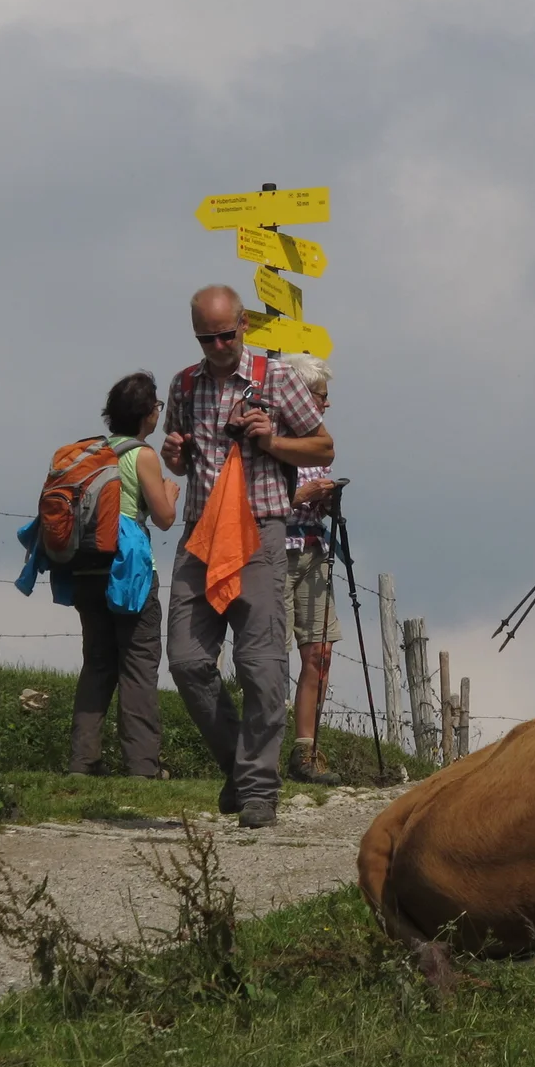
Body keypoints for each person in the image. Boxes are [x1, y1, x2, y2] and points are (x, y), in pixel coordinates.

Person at [161, 285, 333, 828]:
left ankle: (258, 789)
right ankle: (240, 768)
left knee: (261, 668)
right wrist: (176, 454)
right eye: (206, 337)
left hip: (260, 532)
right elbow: (182, 459)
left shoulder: (277, 379)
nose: (217, 345)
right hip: (200, 536)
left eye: (225, 335)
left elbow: (324, 447)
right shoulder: (184, 384)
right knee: (187, 660)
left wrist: (272, 441)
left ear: (244, 326)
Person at [67, 372, 178, 777]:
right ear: (148, 414)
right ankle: (142, 765)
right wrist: (169, 494)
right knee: (138, 662)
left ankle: (83, 761)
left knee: (97, 661)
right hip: (128, 569)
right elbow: (164, 519)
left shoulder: (91, 451)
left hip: (85, 566)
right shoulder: (141, 455)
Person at [281, 353, 343, 787]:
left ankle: (306, 750)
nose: (325, 405)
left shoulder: (316, 442)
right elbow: (253, 504)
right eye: (321, 396)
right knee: (269, 655)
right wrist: (304, 494)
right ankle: (259, 751)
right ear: (301, 396)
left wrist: (325, 500)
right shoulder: (271, 439)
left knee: (319, 652)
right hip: (276, 554)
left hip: (313, 548)